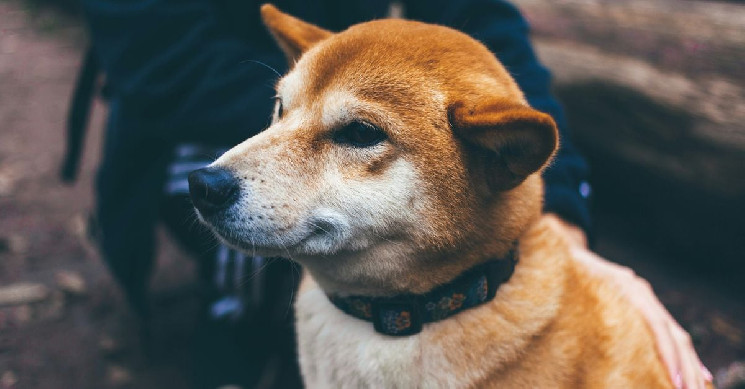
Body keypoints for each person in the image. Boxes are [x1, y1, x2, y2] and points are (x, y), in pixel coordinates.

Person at [63, 0, 710, 387]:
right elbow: (162, 67)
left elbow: (486, 29)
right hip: (178, 116)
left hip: (360, 93)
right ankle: (234, 319)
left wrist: (563, 218)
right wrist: (328, 94)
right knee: (237, 218)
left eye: (355, 133)